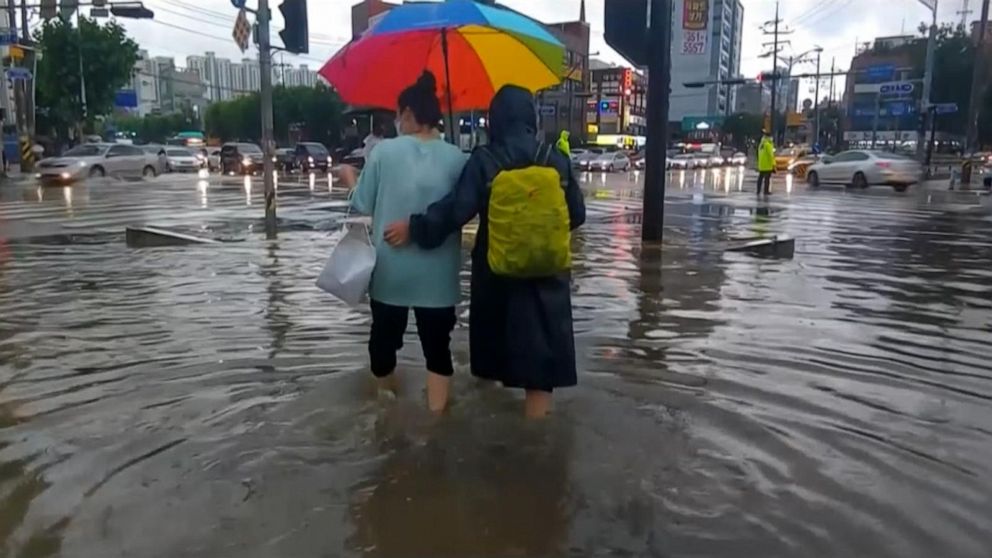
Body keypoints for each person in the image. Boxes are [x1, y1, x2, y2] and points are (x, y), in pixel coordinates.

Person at [383, 85, 586, 418]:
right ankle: (539, 448)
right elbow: (576, 216)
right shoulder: (556, 160)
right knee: (538, 378)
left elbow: (455, 211)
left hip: (497, 279)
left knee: (492, 368)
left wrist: (415, 228)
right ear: (530, 119)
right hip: (548, 280)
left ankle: (488, 448)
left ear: (495, 121)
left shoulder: (485, 160)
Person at [339, 71, 467, 413]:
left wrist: (351, 179)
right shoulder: (458, 159)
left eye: (398, 115)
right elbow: (461, 211)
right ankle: (437, 419)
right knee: (438, 351)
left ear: (408, 114)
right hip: (439, 279)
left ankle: (386, 407)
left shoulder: (384, 153)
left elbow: (361, 204)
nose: (397, 122)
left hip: (391, 273)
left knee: (383, 344)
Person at [757, 129, 775, 195]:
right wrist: (773, 164)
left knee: (760, 178)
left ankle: (758, 191)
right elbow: (771, 155)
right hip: (767, 165)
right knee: (767, 179)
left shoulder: (761, 144)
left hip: (761, 164)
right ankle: (766, 191)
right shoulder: (768, 144)